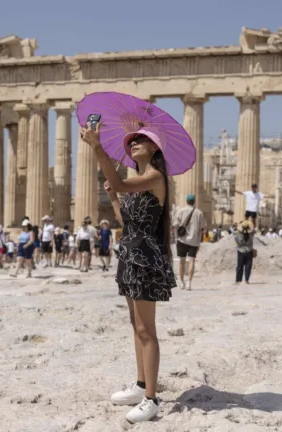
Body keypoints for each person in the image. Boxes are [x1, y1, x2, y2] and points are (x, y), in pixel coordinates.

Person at [83, 123, 176, 423]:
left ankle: (151, 399)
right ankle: (140, 386)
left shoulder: (155, 177)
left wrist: (97, 147)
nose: (134, 143)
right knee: (136, 325)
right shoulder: (138, 180)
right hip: (130, 254)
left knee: (147, 330)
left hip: (146, 257)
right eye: (132, 141)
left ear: (154, 148)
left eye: (141, 140)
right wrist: (112, 198)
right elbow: (126, 217)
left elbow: (124, 187)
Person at [172, 193, 206, 291]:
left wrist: (176, 238)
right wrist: (199, 241)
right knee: (191, 261)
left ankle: (181, 282)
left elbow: (174, 226)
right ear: (194, 201)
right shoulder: (199, 213)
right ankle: (189, 283)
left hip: (182, 240)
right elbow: (203, 229)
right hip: (194, 241)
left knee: (182, 262)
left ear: (186, 201)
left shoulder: (180, 211)